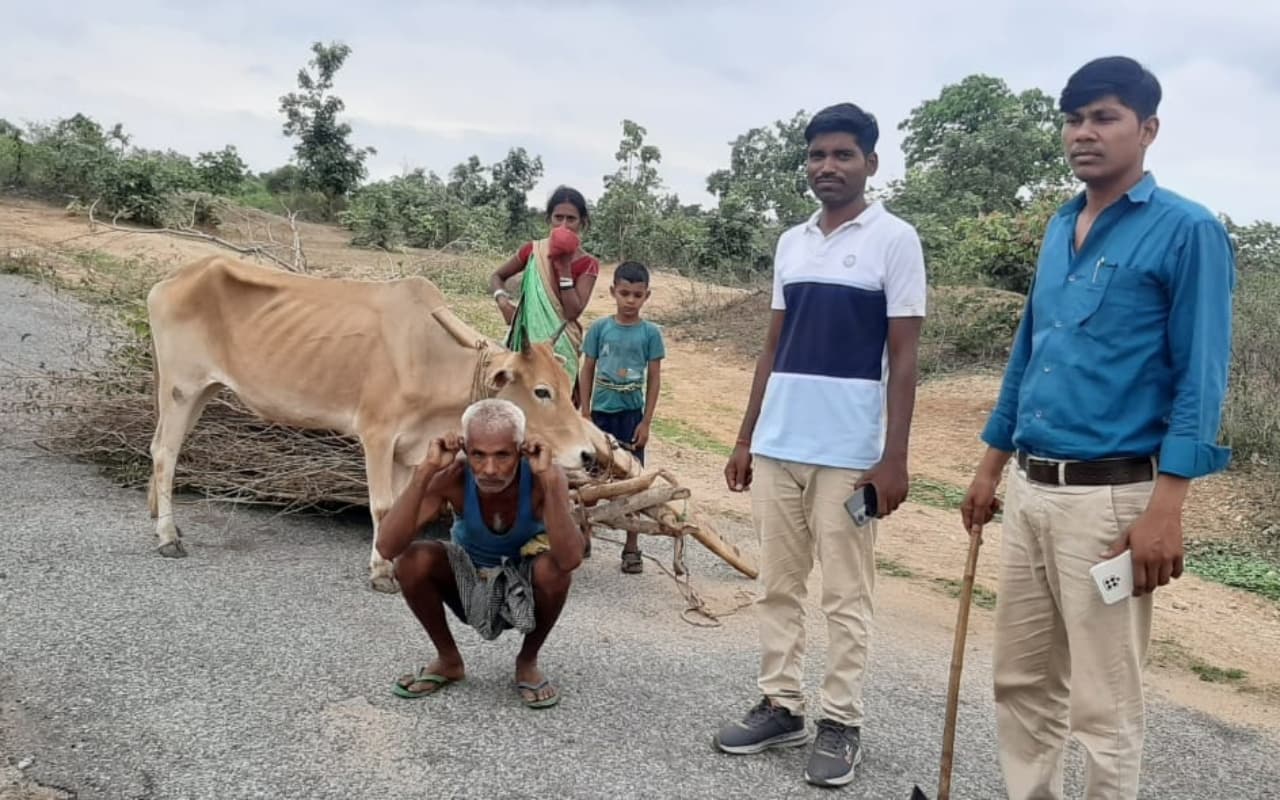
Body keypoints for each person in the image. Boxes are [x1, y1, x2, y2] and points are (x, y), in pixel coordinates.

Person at [959, 56, 1235, 800]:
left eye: (1105, 117)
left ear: (1148, 129)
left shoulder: (1188, 231)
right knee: (1021, 679)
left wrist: (1166, 508)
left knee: (1103, 703)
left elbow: (1201, 376)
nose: (1084, 133)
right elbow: (1029, 352)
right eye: (1074, 119)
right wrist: (990, 466)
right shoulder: (1059, 226)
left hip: (1111, 502)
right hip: (1030, 488)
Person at [711, 102, 927, 788]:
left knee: (845, 595)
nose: (827, 166)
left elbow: (906, 357)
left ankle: (841, 720)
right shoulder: (793, 242)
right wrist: (746, 437)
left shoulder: (895, 240)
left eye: (842, 154)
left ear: (870, 162)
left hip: (850, 455)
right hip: (779, 445)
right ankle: (781, 705)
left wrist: (893, 458)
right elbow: (772, 345)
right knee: (777, 585)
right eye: (816, 155)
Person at [374, 398, 584, 709]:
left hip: (522, 586)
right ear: (465, 449)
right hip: (469, 581)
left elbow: (569, 560)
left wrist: (551, 483)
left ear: (521, 450)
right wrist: (426, 472)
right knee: (411, 561)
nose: (489, 470)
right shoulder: (452, 476)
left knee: (553, 572)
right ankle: (448, 660)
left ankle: (527, 661)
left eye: (502, 455)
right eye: (478, 455)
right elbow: (387, 547)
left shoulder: (544, 477)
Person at [579, 260, 666, 574]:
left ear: (646, 296)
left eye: (637, 295)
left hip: (631, 418)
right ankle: (583, 534)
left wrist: (646, 421)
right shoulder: (599, 329)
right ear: (613, 291)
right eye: (624, 293)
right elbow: (587, 369)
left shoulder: (650, 334)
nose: (630, 300)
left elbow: (654, 379)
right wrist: (585, 412)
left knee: (632, 482)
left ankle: (632, 546)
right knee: (589, 478)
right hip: (600, 415)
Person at [490, 185, 600, 400]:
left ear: (582, 223)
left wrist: (564, 268)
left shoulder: (587, 263)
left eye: (571, 219)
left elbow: (572, 312)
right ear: (549, 219)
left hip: (560, 346)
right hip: (526, 344)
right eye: (558, 218)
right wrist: (502, 302)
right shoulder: (533, 251)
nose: (564, 225)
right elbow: (497, 276)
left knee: (555, 403)